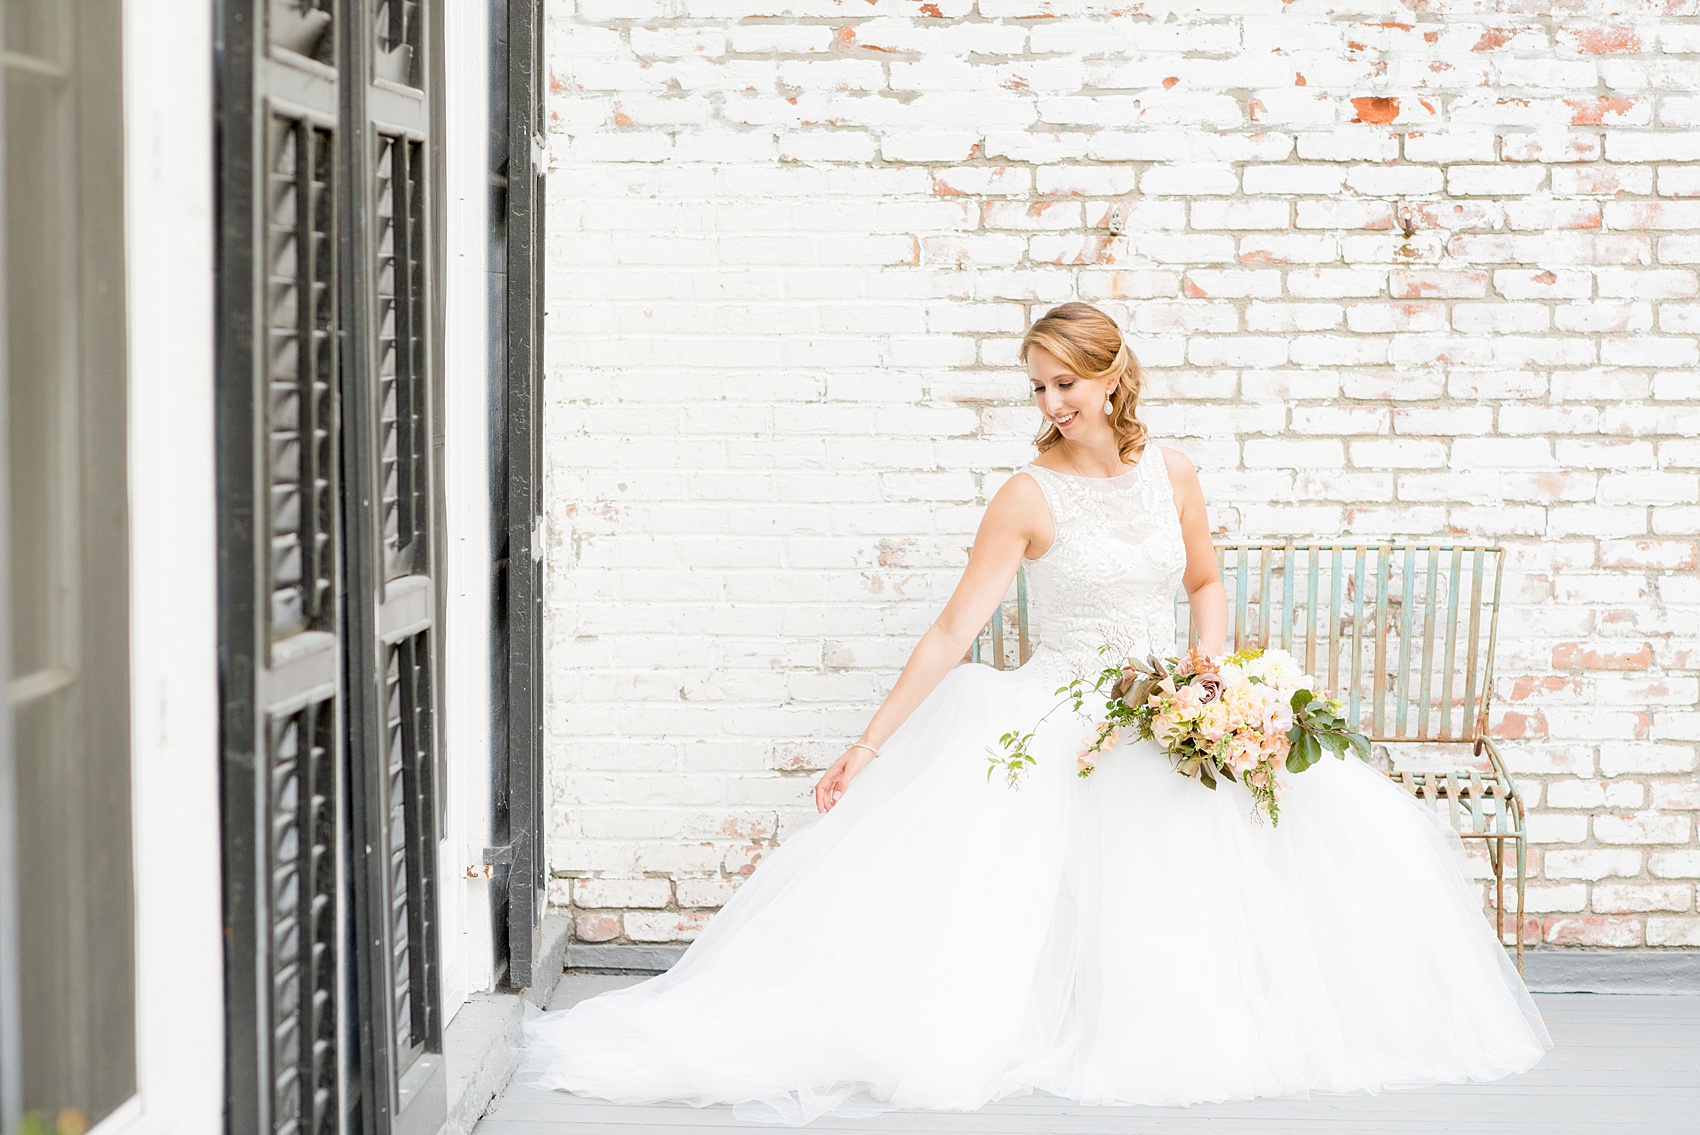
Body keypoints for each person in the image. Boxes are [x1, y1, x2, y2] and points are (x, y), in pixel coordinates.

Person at [518, 301, 1551, 1124]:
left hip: (1172, 698)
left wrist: (1206, 663)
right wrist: (866, 745)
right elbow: (949, 633)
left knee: (1268, 832)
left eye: (1064, 382)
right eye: (1038, 386)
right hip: (1068, 706)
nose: (1049, 400)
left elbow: (1200, 578)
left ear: (1111, 377)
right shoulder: (1024, 496)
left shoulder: (1173, 471)